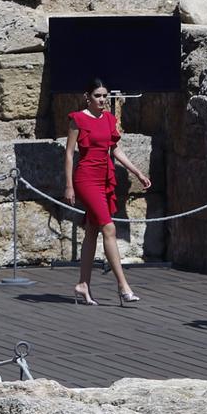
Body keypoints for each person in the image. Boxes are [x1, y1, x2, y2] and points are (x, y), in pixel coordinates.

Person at [63, 78, 152, 306]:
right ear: (87, 97)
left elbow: (115, 149)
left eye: (104, 96)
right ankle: (123, 286)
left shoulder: (110, 119)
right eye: (97, 96)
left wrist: (137, 172)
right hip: (86, 178)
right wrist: (69, 185)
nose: (102, 100)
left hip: (105, 177)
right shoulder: (78, 119)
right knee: (109, 227)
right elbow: (70, 153)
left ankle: (83, 284)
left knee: (93, 229)